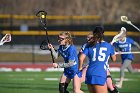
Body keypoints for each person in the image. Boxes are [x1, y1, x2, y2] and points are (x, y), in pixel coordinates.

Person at [79, 26, 116, 93]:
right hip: (100, 74)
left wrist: (80, 68)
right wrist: (112, 49)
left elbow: (81, 58)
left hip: (89, 73)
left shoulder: (89, 45)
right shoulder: (109, 46)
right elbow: (114, 59)